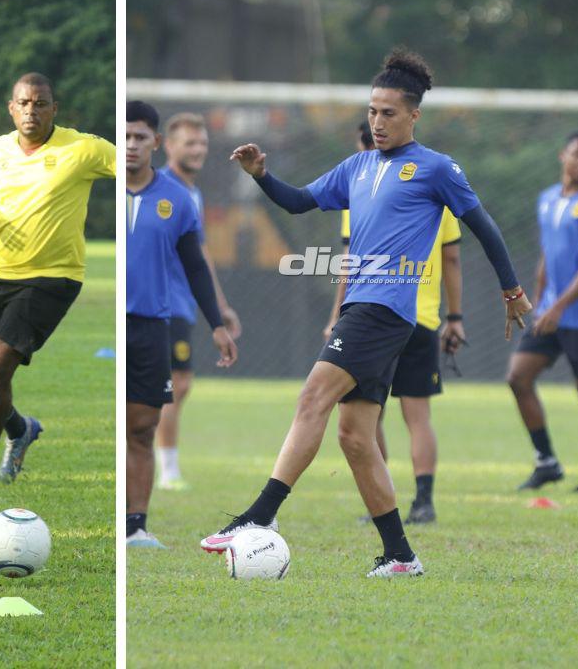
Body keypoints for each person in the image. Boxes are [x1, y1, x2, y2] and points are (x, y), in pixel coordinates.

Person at [199, 49, 532, 577]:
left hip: (385, 310)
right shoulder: (357, 166)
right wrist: (262, 175)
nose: (378, 122)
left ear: (414, 115)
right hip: (362, 305)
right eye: (373, 112)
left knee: (312, 396)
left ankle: (257, 517)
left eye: (389, 113)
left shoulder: (436, 168)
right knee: (355, 436)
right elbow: (298, 202)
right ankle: (401, 556)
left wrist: (511, 290)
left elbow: (483, 226)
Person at [0, 72, 116, 489]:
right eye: (23, 103)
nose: (31, 110)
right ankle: (21, 428)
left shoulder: (82, 148)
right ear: (12, 108)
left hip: (52, 279)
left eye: (40, 103)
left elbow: (132, 165)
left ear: (54, 109)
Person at [325, 121, 465, 524]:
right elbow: (453, 260)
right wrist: (454, 317)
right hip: (421, 318)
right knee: (417, 416)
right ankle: (424, 502)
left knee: (367, 416)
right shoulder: (434, 187)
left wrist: (337, 316)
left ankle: (379, 502)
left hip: (373, 317)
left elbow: (349, 264)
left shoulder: (361, 189)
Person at [126, 101, 238, 548]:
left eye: (140, 137)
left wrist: (217, 323)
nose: (132, 145)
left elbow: (196, 266)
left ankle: (135, 526)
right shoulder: (103, 188)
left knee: (141, 426)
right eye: (126, 136)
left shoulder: (177, 200)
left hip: (155, 324)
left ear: (154, 142)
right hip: (115, 324)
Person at [508, 131, 578, 493]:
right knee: (518, 378)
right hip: (550, 312)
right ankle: (547, 462)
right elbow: (547, 256)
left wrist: (557, 307)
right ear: (563, 156)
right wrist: (538, 302)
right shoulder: (547, 199)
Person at [155, 112, 241, 491]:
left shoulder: (193, 193)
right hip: (159, 302)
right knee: (173, 384)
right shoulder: (157, 188)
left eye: (202, 143)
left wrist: (219, 307)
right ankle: (167, 469)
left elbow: (200, 257)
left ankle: (163, 464)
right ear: (169, 145)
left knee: (177, 384)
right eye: (189, 142)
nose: (198, 149)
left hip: (182, 303)